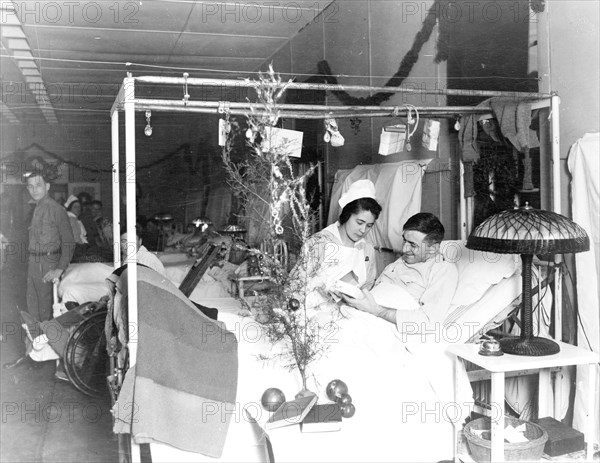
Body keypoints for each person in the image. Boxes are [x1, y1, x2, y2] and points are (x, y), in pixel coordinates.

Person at [342, 212, 458, 334]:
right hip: (362, 315)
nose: (404, 249)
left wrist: (377, 311)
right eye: (405, 241)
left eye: (413, 245)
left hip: (384, 327)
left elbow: (427, 321)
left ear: (433, 248)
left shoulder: (443, 270)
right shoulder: (402, 261)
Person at [291, 179, 382, 309]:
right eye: (359, 222)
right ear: (346, 215)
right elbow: (296, 284)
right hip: (314, 312)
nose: (363, 230)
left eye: (369, 225)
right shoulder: (320, 242)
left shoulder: (367, 249)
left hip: (351, 313)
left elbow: (368, 286)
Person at [24, 171, 76, 322]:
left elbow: (68, 241)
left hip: (47, 262)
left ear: (47, 186)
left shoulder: (56, 209)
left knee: (45, 310)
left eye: (38, 185)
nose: (34, 190)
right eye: (31, 186)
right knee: (32, 306)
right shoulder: (35, 208)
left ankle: (46, 343)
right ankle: (35, 343)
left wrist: (59, 268)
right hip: (33, 262)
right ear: (27, 189)